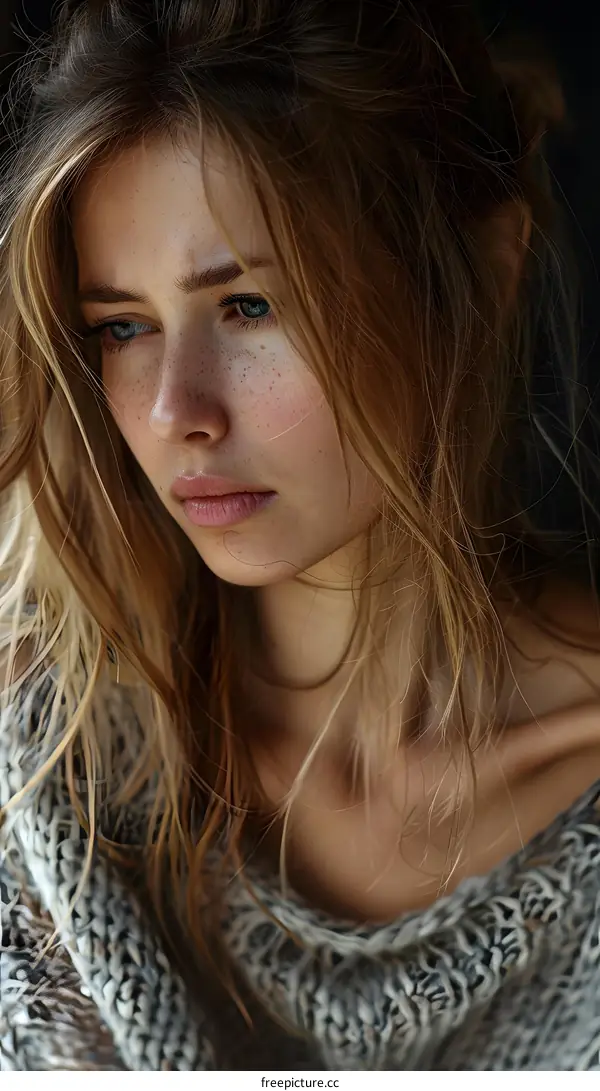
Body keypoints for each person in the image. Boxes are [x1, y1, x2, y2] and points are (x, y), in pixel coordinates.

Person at [1, 0, 599, 1072]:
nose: (176, 411)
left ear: (480, 277)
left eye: (247, 307)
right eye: (123, 326)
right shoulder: (47, 757)